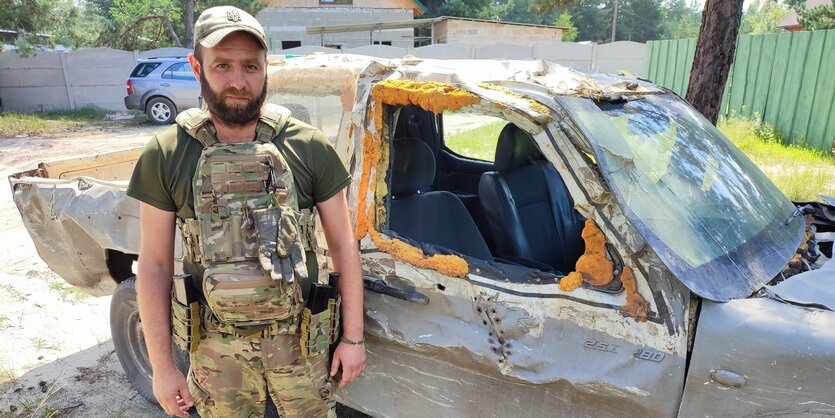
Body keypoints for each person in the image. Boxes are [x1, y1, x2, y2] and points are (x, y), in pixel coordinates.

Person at [126, 6, 365, 417]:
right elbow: (155, 265)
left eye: (250, 66)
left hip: (302, 346)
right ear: (196, 66)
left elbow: (344, 245)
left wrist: (354, 339)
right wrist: (162, 368)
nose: (238, 81)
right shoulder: (167, 153)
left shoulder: (308, 147)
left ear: (266, 67)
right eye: (222, 65)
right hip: (216, 352)